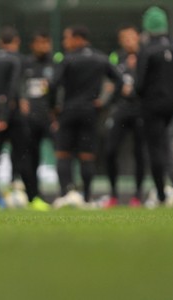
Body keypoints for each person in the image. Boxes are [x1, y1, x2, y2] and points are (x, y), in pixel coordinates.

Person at [0, 26, 49, 211]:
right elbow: (13, 89)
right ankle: (33, 198)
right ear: (16, 42)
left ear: (0, 42)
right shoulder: (19, 61)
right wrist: (6, 113)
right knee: (25, 158)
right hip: (14, 117)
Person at [52, 25, 123, 203]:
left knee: (63, 153)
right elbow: (120, 80)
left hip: (69, 111)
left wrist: (53, 108)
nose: (65, 42)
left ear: (78, 39)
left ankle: (66, 194)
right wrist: (106, 102)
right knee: (87, 156)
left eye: (67, 38)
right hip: (91, 111)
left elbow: (53, 84)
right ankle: (86, 197)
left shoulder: (67, 59)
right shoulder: (101, 58)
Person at [135, 6, 173, 206]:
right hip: (172, 104)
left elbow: (139, 84)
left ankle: (161, 193)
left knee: (155, 148)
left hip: (152, 105)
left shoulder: (147, 50)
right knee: (167, 144)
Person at [104, 25, 145, 207]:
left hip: (140, 109)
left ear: (138, 38)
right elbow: (110, 82)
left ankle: (137, 195)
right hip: (120, 109)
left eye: (131, 37)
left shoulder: (146, 56)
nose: (128, 41)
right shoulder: (116, 57)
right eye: (124, 38)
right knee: (110, 150)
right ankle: (113, 194)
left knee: (139, 153)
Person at [20, 30, 55, 204]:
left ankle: (67, 194)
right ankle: (32, 195)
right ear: (33, 45)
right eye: (40, 42)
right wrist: (21, 100)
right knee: (30, 158)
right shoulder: (25, 64)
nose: (44, 46)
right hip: (29, 120)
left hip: (51, 118)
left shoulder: (55, 64)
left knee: (63, 154)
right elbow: (17, 87)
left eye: (46, 42)